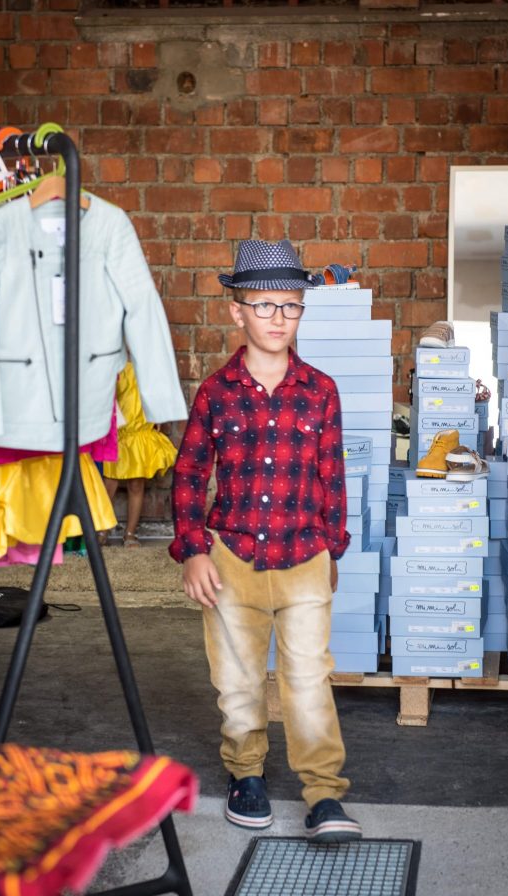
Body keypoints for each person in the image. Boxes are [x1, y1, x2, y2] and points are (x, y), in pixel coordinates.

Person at [169, 239, 361, 842]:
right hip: (233, 561)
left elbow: (333, 475)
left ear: (302, 311)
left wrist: (334, 546)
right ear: (237, 311)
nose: (279, 318)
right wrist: (194, 548)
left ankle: (324, 794)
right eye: (265, 305)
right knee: (239, 681)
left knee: (308, 679)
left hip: (305, 557)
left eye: (291, 306)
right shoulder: (216, 392)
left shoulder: (320, 390)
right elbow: (190, 472)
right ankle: (246, 775)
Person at [102, 361, 177, 547]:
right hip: (118, 431)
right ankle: (101, 530)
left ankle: (130, 533)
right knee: (109, 482)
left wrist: (158, 413)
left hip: (140, 429)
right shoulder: (113, 364)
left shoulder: (149, 366)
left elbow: (159, 393)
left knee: (136, 483)